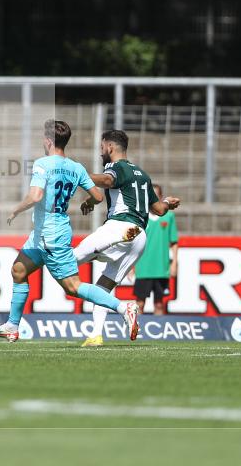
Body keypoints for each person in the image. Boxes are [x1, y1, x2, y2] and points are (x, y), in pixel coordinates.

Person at [0, 120, 141, 343]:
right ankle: (12, 325)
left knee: (73, 287)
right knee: (18, 270)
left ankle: (124, 307)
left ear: (48, 141)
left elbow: (36, 195)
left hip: (51, 236)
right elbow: (97, 196)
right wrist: (88, 202)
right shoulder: (75, 167)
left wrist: (16, 210)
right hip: (43, 234)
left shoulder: (42, 164)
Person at [77, 130, 181, 347]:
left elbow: (107, 180)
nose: (100, 152)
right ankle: (96, 335)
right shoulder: (142, 174)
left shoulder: (116, 167)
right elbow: (159, 210)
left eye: (101, 147)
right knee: (103, 288)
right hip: (139, 237)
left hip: (120, 226)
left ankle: (124, 306)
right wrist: (168, 203)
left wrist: (77, 174)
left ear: (110, 147)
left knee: (69, 260)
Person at [133, 184, 178, 315]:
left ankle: (159, 334)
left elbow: (174, 241)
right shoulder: (141, 216)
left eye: (156, 196)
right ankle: (136, 332)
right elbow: (133, 242)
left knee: (159, 304)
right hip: (143, 268)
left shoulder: (168, 217)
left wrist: (174, 262)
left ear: (161, 197)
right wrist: (131, 265)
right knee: (139, 303)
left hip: (161, 269)